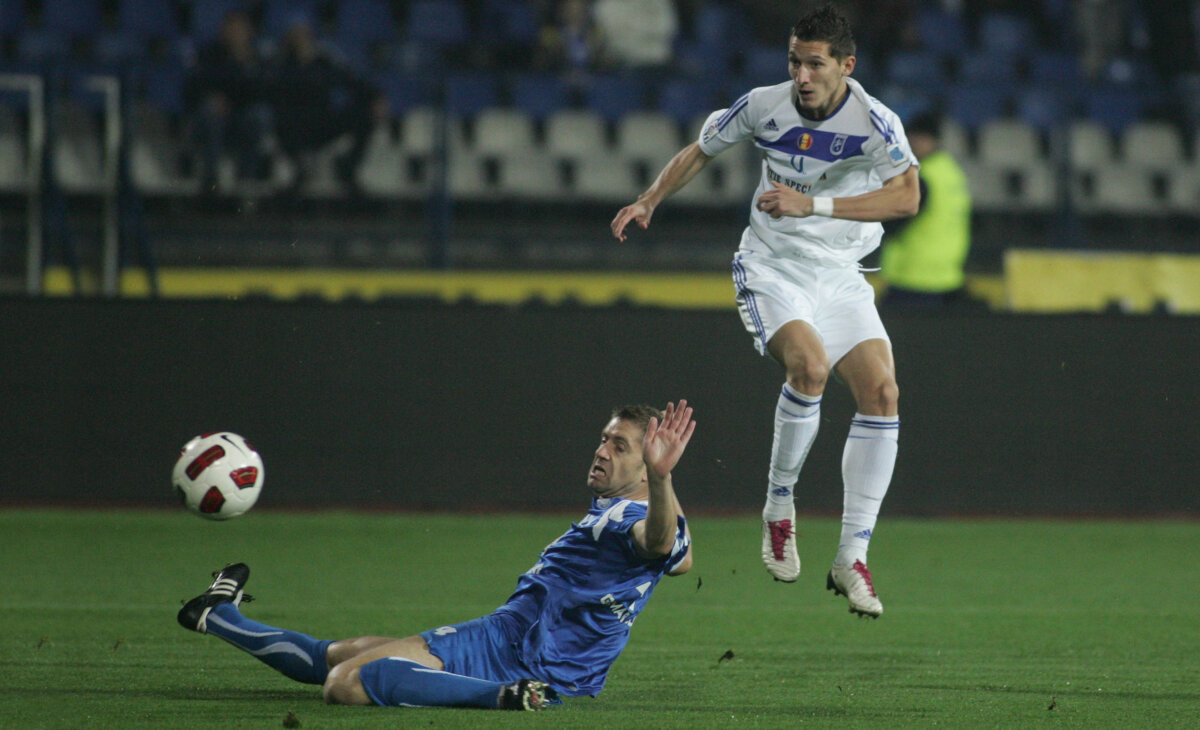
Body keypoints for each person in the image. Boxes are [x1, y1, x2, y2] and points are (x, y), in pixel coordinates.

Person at [611, 5, 918, 618]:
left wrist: (816, 207)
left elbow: (907, 197)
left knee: (882, 392)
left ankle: (851, 555)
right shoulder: (762, 104)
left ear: (845, 67)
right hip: (773, 267)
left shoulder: (876, 121)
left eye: (815, 64)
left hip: (840, 273)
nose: (802, 75)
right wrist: (650, 199)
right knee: (808, 369)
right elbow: (701, 148)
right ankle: (780, 506)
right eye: (794, 61)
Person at [177, 401, 696, 710]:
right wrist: (660, 499)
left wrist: (661, 477)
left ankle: (503, 697)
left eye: (621, 446)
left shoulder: (625, 517)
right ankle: (217, 615)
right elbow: (677, 556)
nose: (602, 450)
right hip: (512, 639)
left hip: (520, 659)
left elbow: (653, 543)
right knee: (341, 654)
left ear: (648, 463)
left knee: (344, 684)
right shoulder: (648, 516)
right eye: (604, 439)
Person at [880, 112, 972, 307]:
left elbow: (894, 222)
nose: (912, 144)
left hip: (912, 275)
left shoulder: (921, 178)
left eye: (916, 138)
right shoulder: (951, 172)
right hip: (946, 274)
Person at [183, 9, 272, 191]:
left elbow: (263, 92)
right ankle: (211, 180)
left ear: (249, 32)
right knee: (211, 113)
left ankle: (246, 180)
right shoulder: (209, 55)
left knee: (260, 116)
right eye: (231, 29)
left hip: (242, 117)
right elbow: (193, 88)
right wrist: (212, 97)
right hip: (211, 120)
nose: (234, 34)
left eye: (239, 29)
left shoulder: (257, 59)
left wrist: (234, 98)